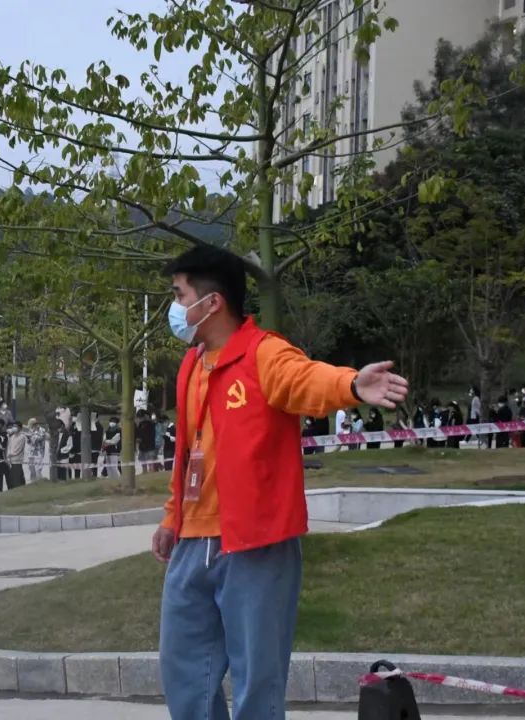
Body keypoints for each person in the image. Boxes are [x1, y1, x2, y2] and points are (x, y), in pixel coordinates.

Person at [152, 245, 408, 720]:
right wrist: (172, 518)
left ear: (212, 303)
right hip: (193, 541)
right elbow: (187, 453)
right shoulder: (191, 365)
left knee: (257, 680)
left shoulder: (264, 353)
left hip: (256, 545)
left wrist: (352, 385)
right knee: (184, 671)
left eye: (179, 295)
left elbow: (306, 380)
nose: (174, 307)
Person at [25, 418, 48, 482]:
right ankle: (33, 482)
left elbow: (39, 439)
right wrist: (28, 438)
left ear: (34, 424)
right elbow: (29, 442)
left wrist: (31, 435)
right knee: (31, 468)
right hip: (31, 452)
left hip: (39, 452)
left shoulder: (42, 430)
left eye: (31, 425)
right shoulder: (31, 430)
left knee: (38, 469)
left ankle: (40, 481)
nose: (31, 427)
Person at [6, 421, 27, 489]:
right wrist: (8, 456)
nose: (14, 428)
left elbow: (18, 450)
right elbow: (9, 447)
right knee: (13, 478)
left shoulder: (22, 437)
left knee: (17, 479)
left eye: (15, 426)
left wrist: (10, 454)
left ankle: (19, 489)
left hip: (17, 460)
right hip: (11, 461)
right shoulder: (12, 437)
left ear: (20, 428)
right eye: (13, 426)